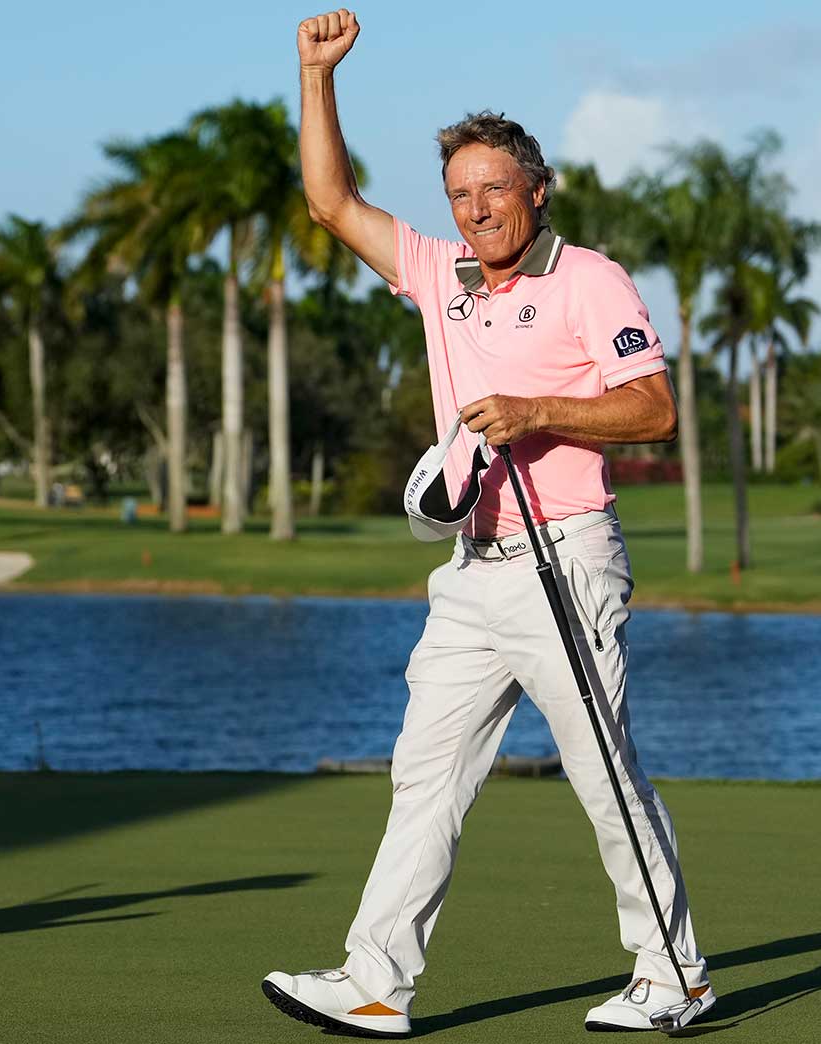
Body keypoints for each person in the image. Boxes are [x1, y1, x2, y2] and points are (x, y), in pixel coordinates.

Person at [262, 10, 711, 1038]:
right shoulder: (438, 276)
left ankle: (672, 974)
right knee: (421, 774)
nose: (474, 211)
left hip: (566, 561)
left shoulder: (588, 280)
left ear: (535, 190)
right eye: (459, 194)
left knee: (603, 775)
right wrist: (313, 74)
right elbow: (329, 202)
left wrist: (536, 410)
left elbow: (652, 409)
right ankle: (375, 981)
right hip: (470, 572)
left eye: (492, 190)